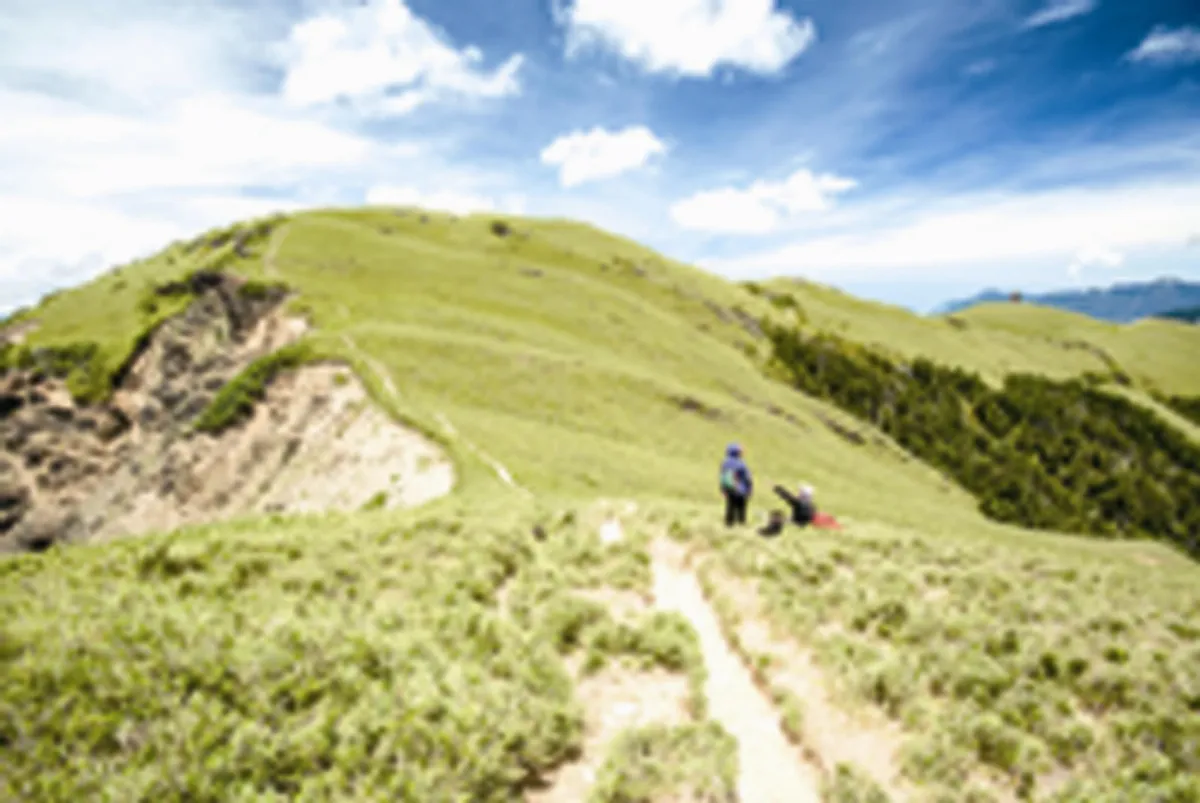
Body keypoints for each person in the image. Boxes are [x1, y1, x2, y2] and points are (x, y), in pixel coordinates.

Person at [719, 443, 753, 527]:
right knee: (741, 510)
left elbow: (723, 476)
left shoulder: (725, 463)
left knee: (730, 507)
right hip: (741, 490)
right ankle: (741, 525)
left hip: (729, 489)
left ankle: (728, 525)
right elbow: (747, 478)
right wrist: (749, 490)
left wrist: (723, 488)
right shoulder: (741, 463)